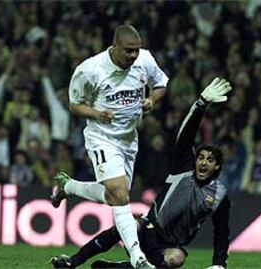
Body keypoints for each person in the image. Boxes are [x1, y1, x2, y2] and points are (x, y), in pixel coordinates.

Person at [50, 78, 232, 269]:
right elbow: (185, 136)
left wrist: (219, 265)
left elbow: (222, 232)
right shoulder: (184, 169)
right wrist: (201, 103)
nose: (203, 162)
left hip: (170, 246)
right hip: (148, 229)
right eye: (201, 157)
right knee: (127, 226)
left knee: (177, 259)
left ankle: (117, 268)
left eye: (210, 160)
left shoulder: (219, 194)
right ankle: (73, 261)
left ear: (217, 167)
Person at [51, 24, 168, 269]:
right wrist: (96, 114)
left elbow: (161, 84)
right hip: (101, 137)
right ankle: (138, 259)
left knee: (114, 196)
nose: (133, 55)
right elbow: (75, 105)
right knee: (121, 194)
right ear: (114, 47)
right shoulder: (90, 69)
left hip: (129, 139)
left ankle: (68, 186)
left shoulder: (144, 60)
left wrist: (151, 100)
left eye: (136, 50)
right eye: (128, 51)